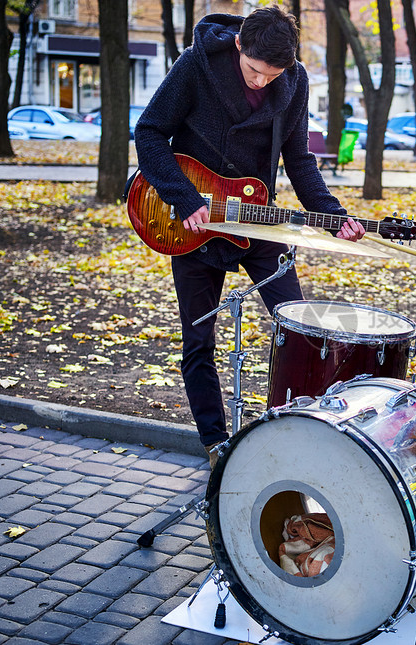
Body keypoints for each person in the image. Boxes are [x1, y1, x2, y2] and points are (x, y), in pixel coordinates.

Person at [133, 7, 363, 467]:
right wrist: (183, 198)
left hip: (257, 218)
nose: (261, 82)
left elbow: (299, 159)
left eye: (272, 74)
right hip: (194, 219)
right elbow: (150, 132)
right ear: (239, 45)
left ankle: (297, 436)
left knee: (299, 330)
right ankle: (216, 445)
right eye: (255, 71)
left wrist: (333, 215)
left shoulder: (294, 81)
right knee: (198, 341)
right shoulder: (197, 64)